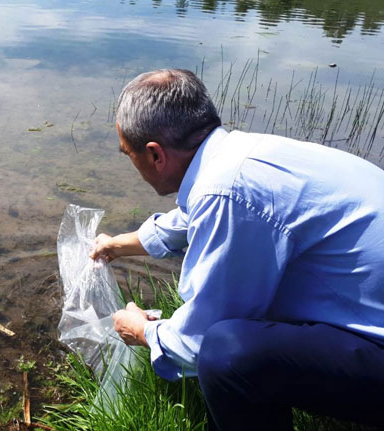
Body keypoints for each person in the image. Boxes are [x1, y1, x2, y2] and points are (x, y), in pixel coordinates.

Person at [89, 68, 384, 430]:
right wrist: (118, 245)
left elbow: (194, 343)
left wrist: (144, 332)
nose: (130, 162)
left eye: (127, 153)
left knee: (226, 352)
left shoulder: (227, 191)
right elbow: (189, 219)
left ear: (154, 155)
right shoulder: (240, 156)